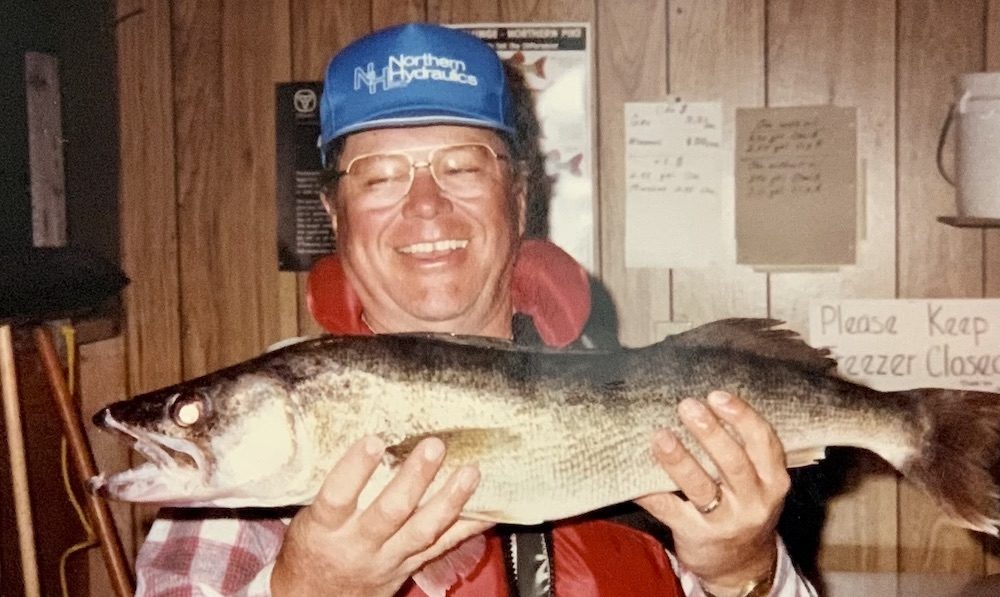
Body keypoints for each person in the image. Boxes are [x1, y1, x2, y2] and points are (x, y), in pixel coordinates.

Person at [134, 23, 818, 597]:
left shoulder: (651, 404)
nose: (425, 206)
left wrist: (746, 571)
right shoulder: (262, 430)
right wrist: (301, 588)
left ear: (519, 197)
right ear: (333, 215)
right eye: (378, 178)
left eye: (462, 167)